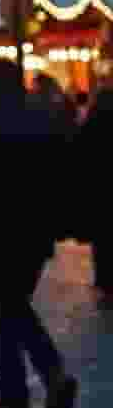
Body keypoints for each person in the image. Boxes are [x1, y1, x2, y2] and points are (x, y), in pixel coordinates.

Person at [0, 59, 79, 408]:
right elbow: (65, 168)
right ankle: (34, 387)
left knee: (2, 310)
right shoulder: (44, 115)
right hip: (34, 229)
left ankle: (27, 391)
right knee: (13, 305)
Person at [75, 88, 113, 308]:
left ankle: (105, 284)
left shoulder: (92, 125)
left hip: (100, 192)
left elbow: (81, 156)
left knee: (103, 241)